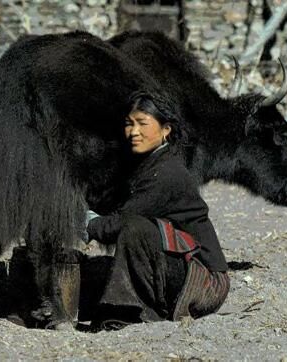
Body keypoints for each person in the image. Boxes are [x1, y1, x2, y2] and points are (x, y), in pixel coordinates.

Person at [85, 91, 229, 330]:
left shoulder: (168, 174)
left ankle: (132, 312)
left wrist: (87, 223)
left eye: (142, 123)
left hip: (206, 283)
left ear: (166, 130)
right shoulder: (148, 162)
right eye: (129, 124)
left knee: (135, 228)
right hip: (178, 266)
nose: (134, 132)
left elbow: (122, 220)